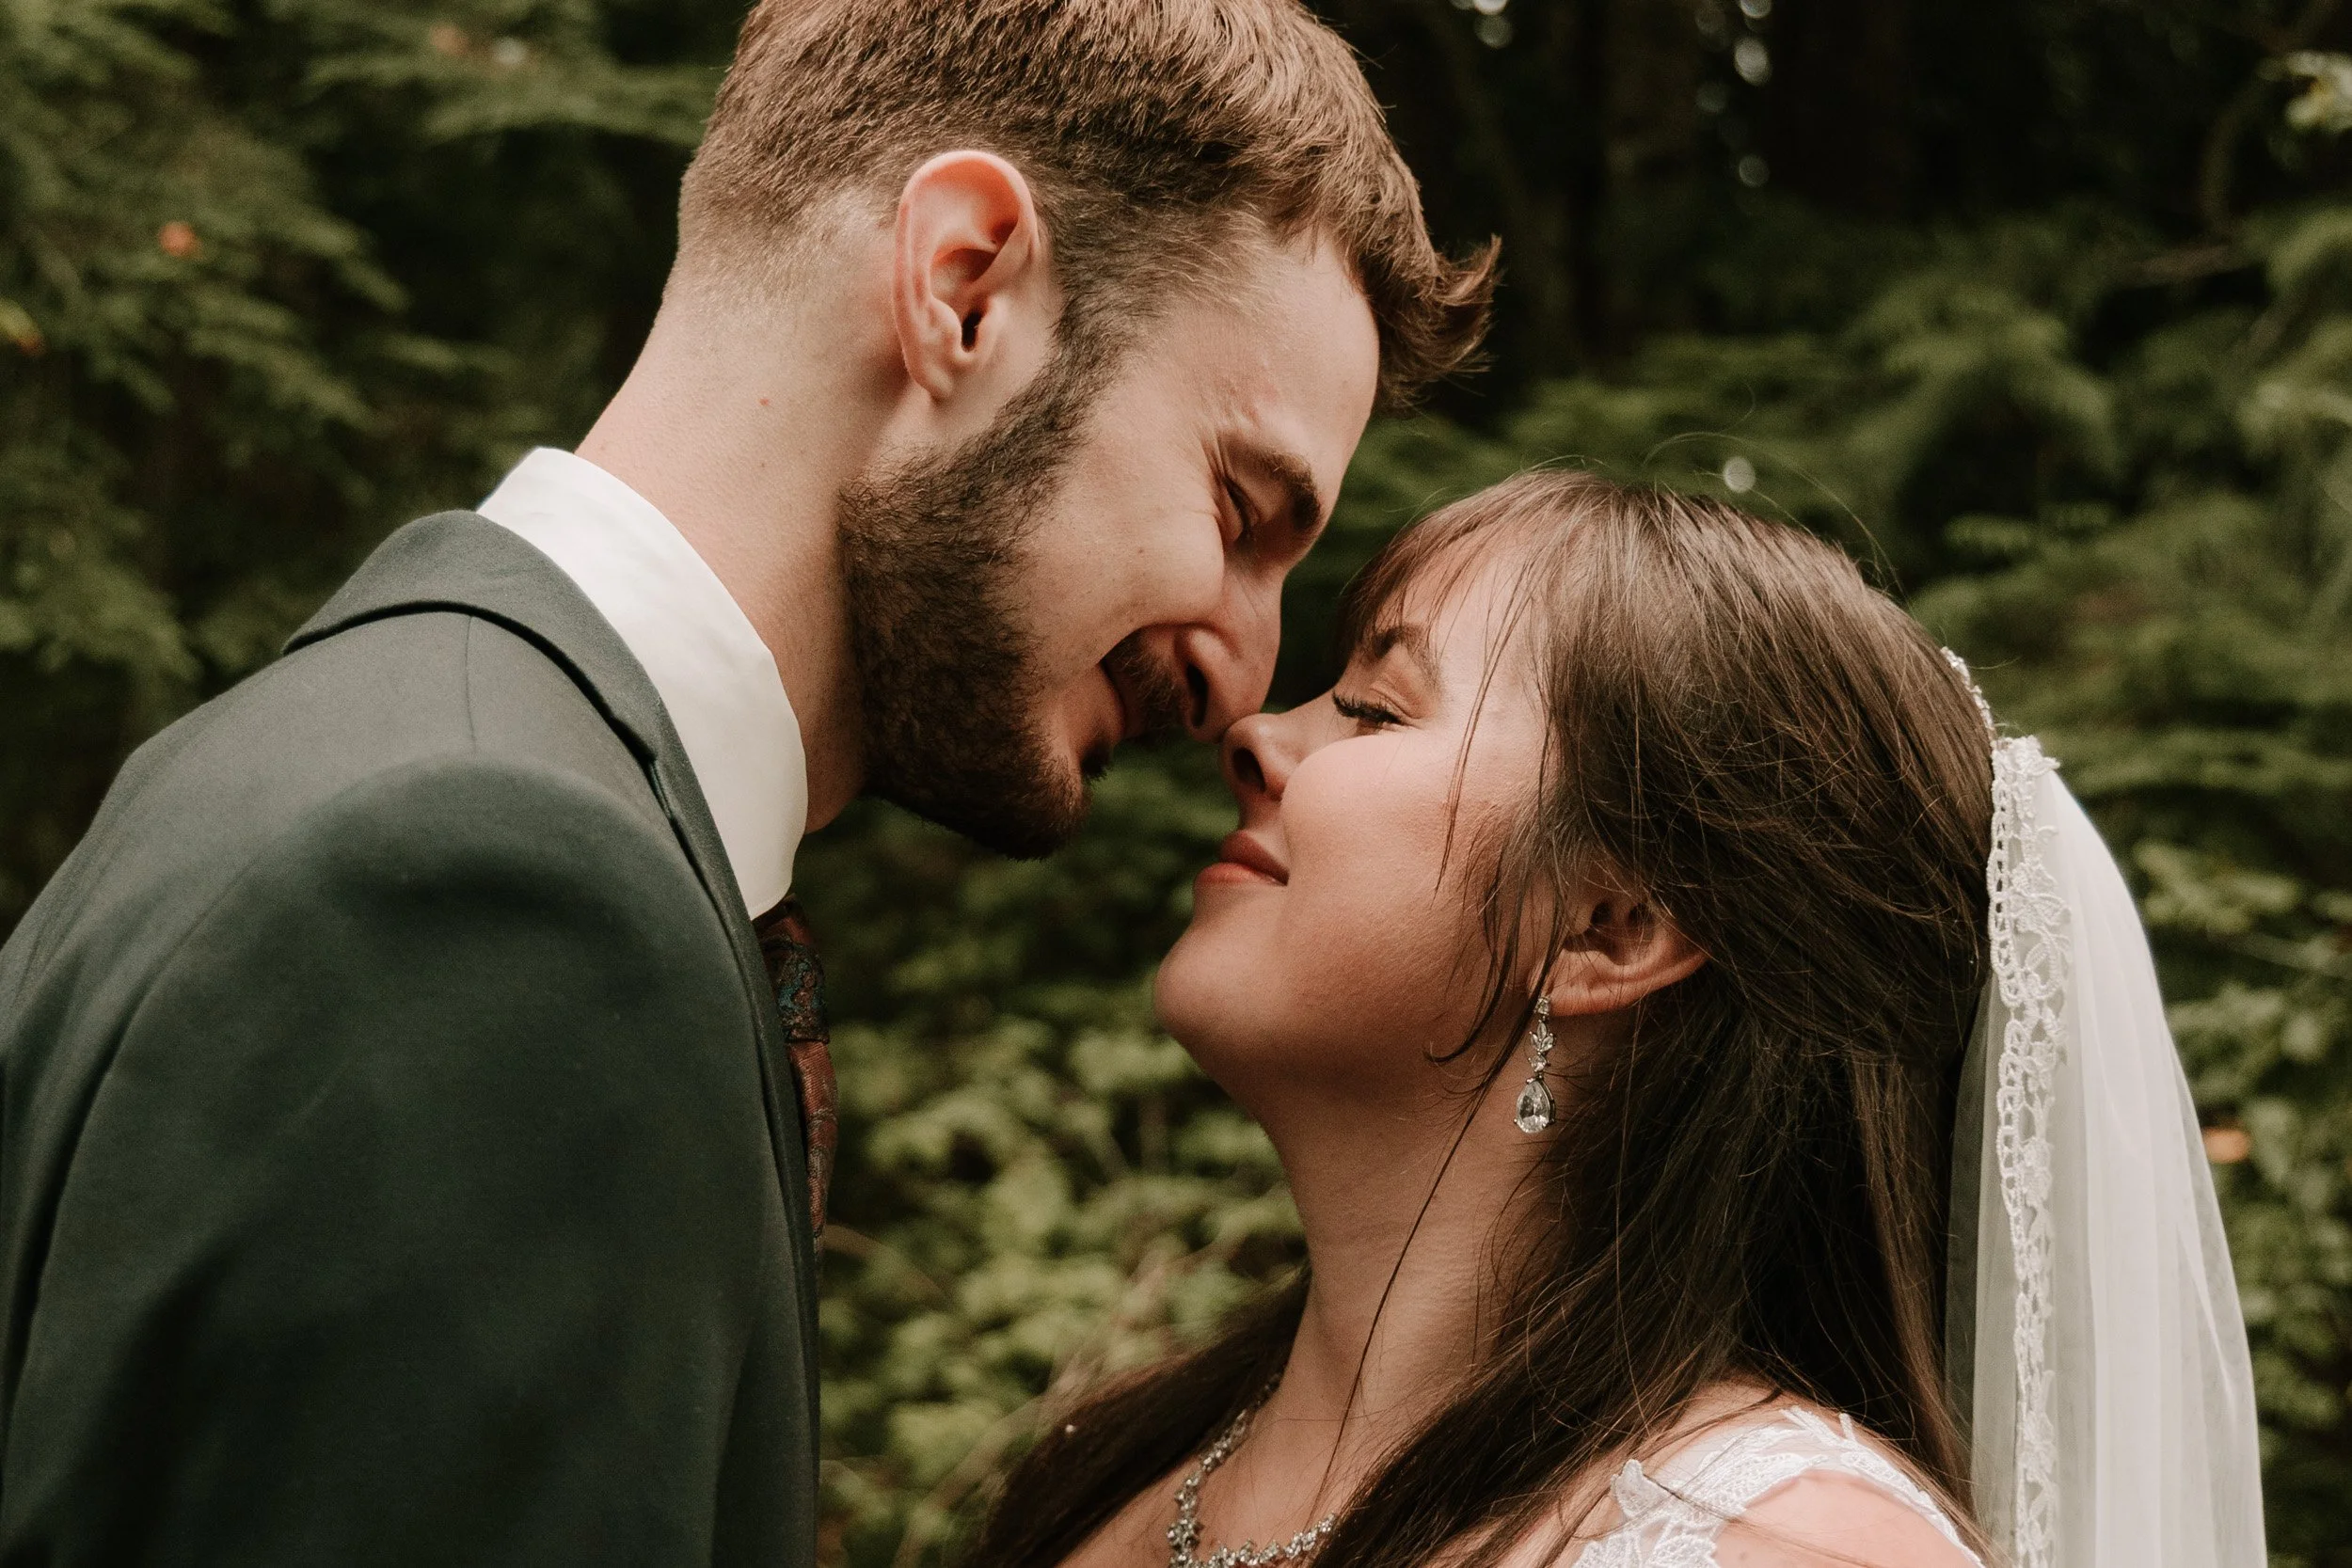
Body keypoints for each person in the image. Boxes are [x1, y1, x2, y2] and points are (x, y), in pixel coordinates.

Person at [0, 2, 1492, 1563]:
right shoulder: (497, 901)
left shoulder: (342, 752)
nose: (1243, 674)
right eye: (1239, 505)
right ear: (966, 289)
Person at [964, 470, 2265, 1568]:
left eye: (1374, 705)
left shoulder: (1776, 1548)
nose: (1255, 733)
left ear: (1611, 929)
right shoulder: (1114, 1463)